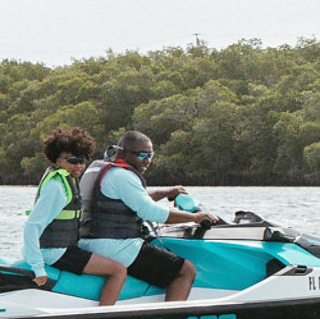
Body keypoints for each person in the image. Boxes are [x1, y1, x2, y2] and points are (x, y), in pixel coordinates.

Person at [78, 130, 216, 303]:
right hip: (115, 246)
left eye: (150, 155)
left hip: (90, 242)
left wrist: (168, 191)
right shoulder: (122, 175)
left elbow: (135, 198)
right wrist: (195, 217)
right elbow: (151, 212)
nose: (147, 160)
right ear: (122, 151)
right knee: (185, 270)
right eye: (141, 155)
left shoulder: (103, 169)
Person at [21, 127, 129, 306]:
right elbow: (33, 226)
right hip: (54, 253)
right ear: (58, 160)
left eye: (82, 160)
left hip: (60, 249)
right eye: (72, 160)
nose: (78, 165)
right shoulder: (57, 186)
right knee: (118, 270)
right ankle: (104, 317)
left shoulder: (66, 179)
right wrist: (38, 267)